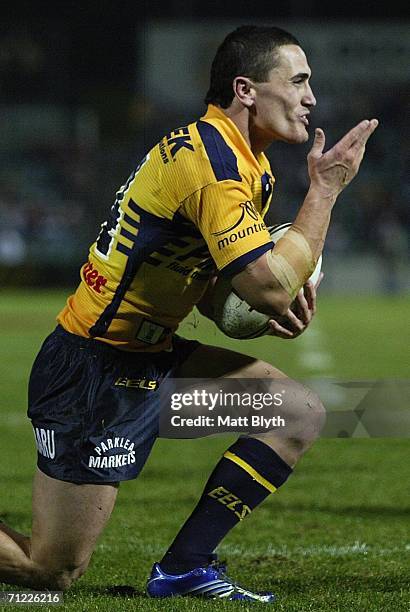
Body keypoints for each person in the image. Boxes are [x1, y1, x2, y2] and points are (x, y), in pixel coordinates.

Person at [0, 25, 378, 601]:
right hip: (97, 376)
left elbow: (203, 276)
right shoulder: (215, 167)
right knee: (51, 573)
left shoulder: (246, 162)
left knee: (293, 412)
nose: (311, 98)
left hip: (155, 367)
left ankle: (184, 567)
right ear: (247, 89)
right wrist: (324, 192)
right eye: (299, 81)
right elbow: (272, 287)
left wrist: (250, 305)